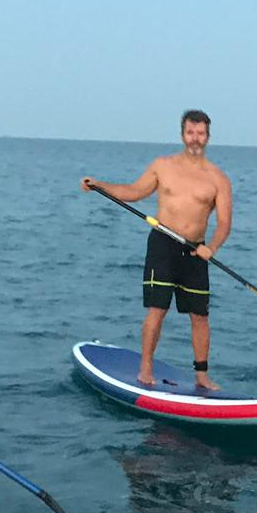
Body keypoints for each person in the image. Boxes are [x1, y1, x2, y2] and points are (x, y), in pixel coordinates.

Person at [81, 109, 232, 390]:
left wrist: (212, 247)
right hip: (163, 245)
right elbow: (133, 191)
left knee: (200, 317)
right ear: (182, 135)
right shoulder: (163, 166)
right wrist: (100, 185)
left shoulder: (218, 179)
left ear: (208, 137)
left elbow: (224, 223)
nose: (195, 138)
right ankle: (145, 368)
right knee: (157, 309)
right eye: (190, 132)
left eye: (200, 133)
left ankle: (202, 376)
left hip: (196, 251)